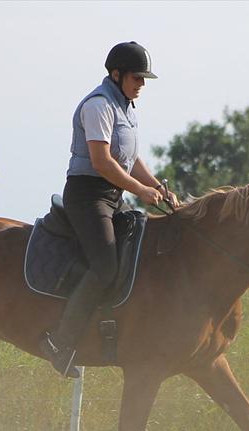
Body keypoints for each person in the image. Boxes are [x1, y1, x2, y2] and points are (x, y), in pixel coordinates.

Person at [39, 41, 180, 377]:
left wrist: (158, 186)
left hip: (112, 197)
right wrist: (141, 190)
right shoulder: (99, 105)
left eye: (144, 79)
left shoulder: (126, 108)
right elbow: (103, 162)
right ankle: (60, 342)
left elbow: (132, 161)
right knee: (105, 268)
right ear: (116, 75)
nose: (141, 84)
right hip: (87, 197)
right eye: (136, 77)